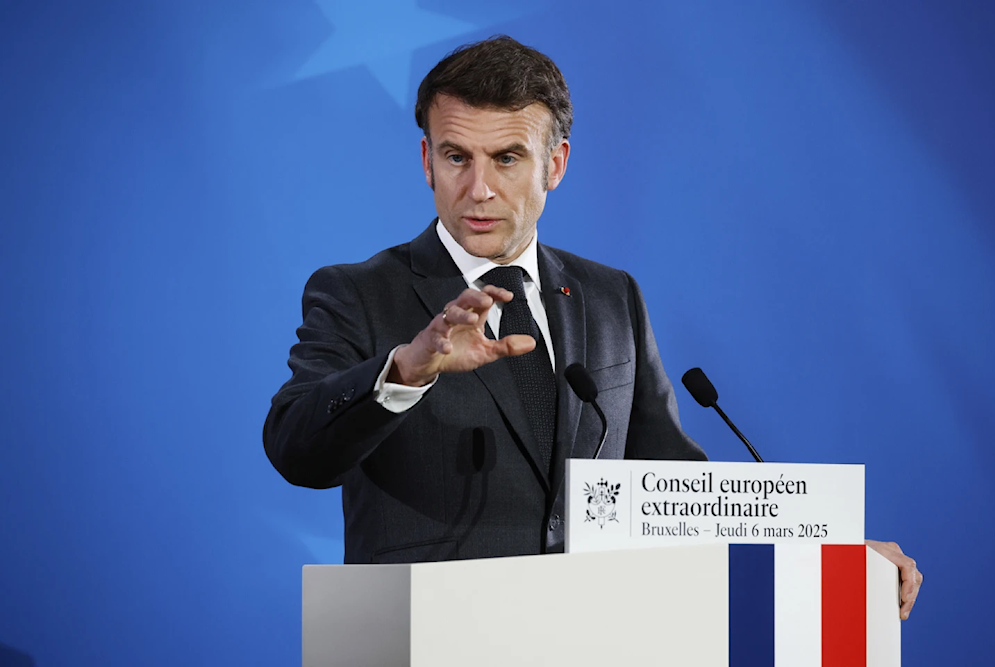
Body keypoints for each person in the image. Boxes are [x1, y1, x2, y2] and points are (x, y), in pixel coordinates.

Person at [264, 35, 921, 618]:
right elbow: (296, 449)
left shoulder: (610, 296)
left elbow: (675, 489)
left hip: (595, 631)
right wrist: (406, 370)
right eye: (457, 157)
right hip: (429, 633)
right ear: (426, 161)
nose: (479, 188)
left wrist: (828, 549)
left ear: (555, 164)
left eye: (507, 158)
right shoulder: (358, 292)